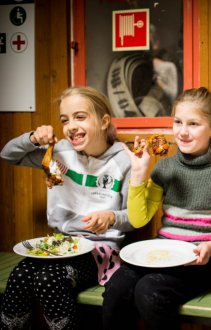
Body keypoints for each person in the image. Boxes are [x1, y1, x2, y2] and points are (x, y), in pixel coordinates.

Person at [102, 87, 211, 330]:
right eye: (178, 122)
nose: (183, 131)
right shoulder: (164, 169)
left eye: (193, 123)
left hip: (206, 262)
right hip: (162, 254)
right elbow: (139, 219)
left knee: (149, 289)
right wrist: (138, 175)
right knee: (117, 286)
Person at [0, 86, 133, 330]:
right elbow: (8, 155)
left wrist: (111, 217)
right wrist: (32, 138)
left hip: (100, 250)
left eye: (80, 117)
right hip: (61, 244)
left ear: (104, 121)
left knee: (48, 279)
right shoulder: (57, 152)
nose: (71, 125)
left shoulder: (124, 160)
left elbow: (133, 218)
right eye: (65, 119)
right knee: (19, 276)